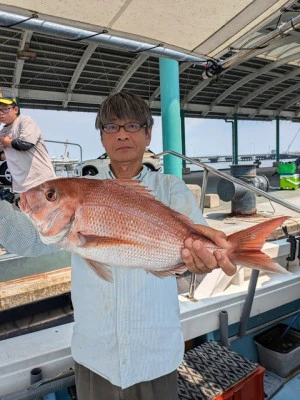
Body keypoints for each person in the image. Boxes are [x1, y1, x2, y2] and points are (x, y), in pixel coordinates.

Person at [0, 92, 236, 400]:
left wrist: (208, 254)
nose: (122, 133)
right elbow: (28, 239)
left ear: (148, 133)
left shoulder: (170, 188)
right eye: (111, 126)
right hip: (96, 356)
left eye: (133, 125)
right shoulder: (83, 188)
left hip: (155, 356)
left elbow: (194, 240)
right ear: (101, 136)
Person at [0, 88, 56, 193]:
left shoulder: (24, 121)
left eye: (5, 108)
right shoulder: (2, 132)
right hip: (21, 188)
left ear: (15, 109)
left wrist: (7, 142)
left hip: (43, 183)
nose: (1, 113)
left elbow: (25, 144)